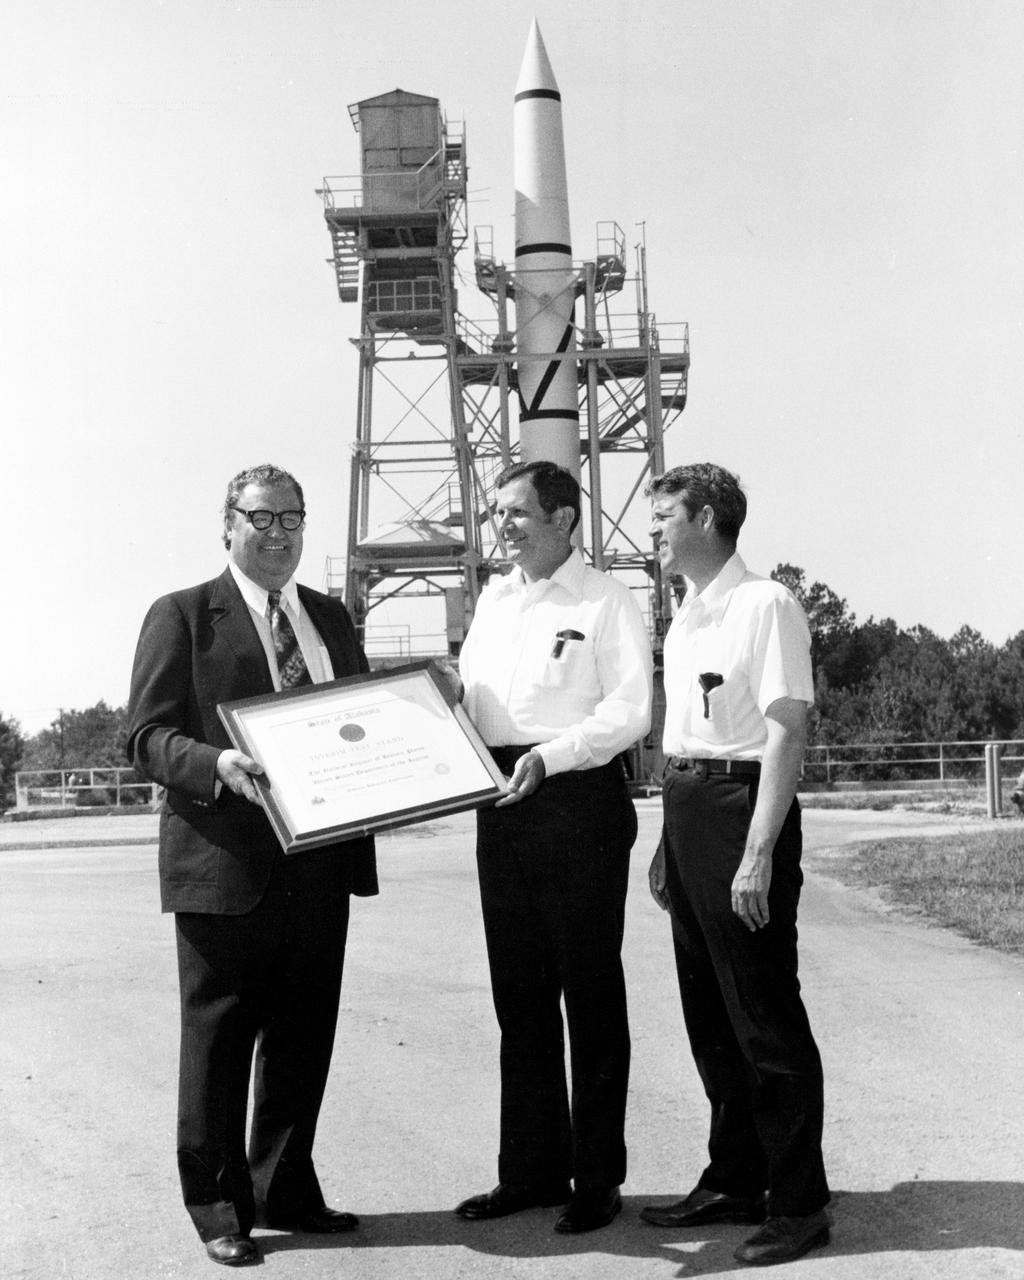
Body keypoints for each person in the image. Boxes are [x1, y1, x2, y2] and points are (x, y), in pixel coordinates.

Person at [127, 463, 378, 1268]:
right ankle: (217, 1206)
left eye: (293, 521)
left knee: (304, 1038)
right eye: (262, 519)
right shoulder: (182, 615)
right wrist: (214, 763)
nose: (279, 535)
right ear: (228, 523)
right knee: (219, 1042)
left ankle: (286, 1188)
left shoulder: (332, 620)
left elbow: (364, 724)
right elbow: (146, 736)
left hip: (318, 864)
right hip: (223, 864)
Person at [453, 460, 652, 1235]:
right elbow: (473, 704)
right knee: (521, 999)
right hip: (499, 803)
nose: (501, 525)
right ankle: (532, 1172)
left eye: (515, 512)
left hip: (576, 799)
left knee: (590, 996)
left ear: (564, 519)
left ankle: (597, 1179)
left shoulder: (606, 600)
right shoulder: (495, 600)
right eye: (496, 513)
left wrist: (553, 757)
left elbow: (632, 711)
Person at [640, 463, 830, 1266]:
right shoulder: (687, 613)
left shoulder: (766, 605)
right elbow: (687, 736)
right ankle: (734, 1175)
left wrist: (756, 852)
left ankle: (799, 1203)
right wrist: (666, 842)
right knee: (709, 1011)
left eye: (666, 516)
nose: (653, 531)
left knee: (760, 1011)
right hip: (688, 807)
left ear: (709, 518)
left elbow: (787, 730)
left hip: (741, 808)